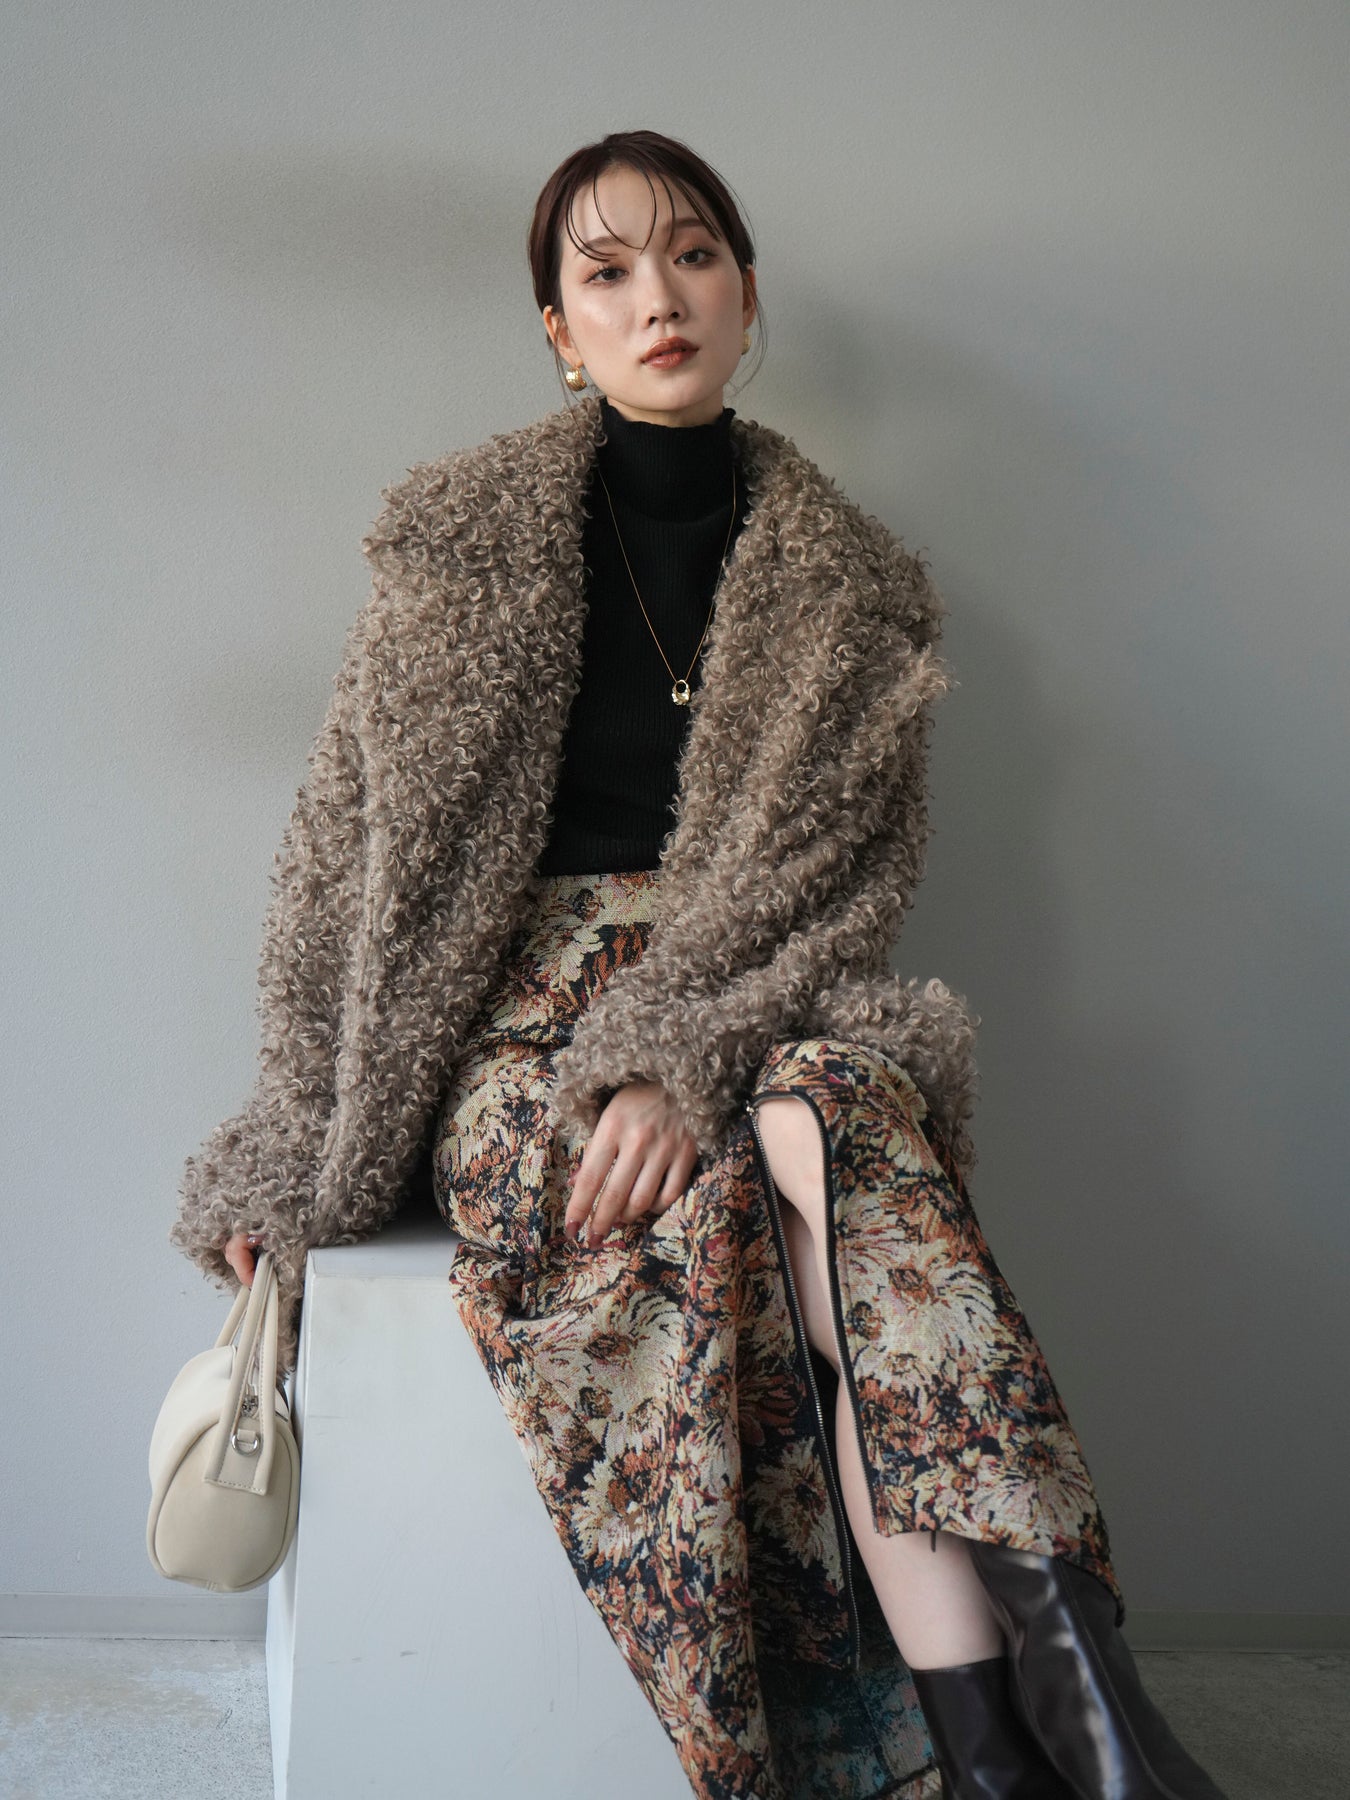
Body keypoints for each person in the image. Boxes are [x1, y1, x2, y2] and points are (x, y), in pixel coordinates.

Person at [176, 130, 1228, 1800]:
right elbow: (335, 881)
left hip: (760, 994)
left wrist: (684, 1054)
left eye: (690, 256)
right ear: (558, 327)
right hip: (515, 1039)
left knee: (836, 1115)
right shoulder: (454, 547)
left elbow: (845, 896)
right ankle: (1066, 1737)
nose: (654, 297)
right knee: (830, 1191)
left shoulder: (853, 588)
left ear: (745, 294)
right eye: (605, 272)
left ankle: (1026, 1758)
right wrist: (286, 1147)